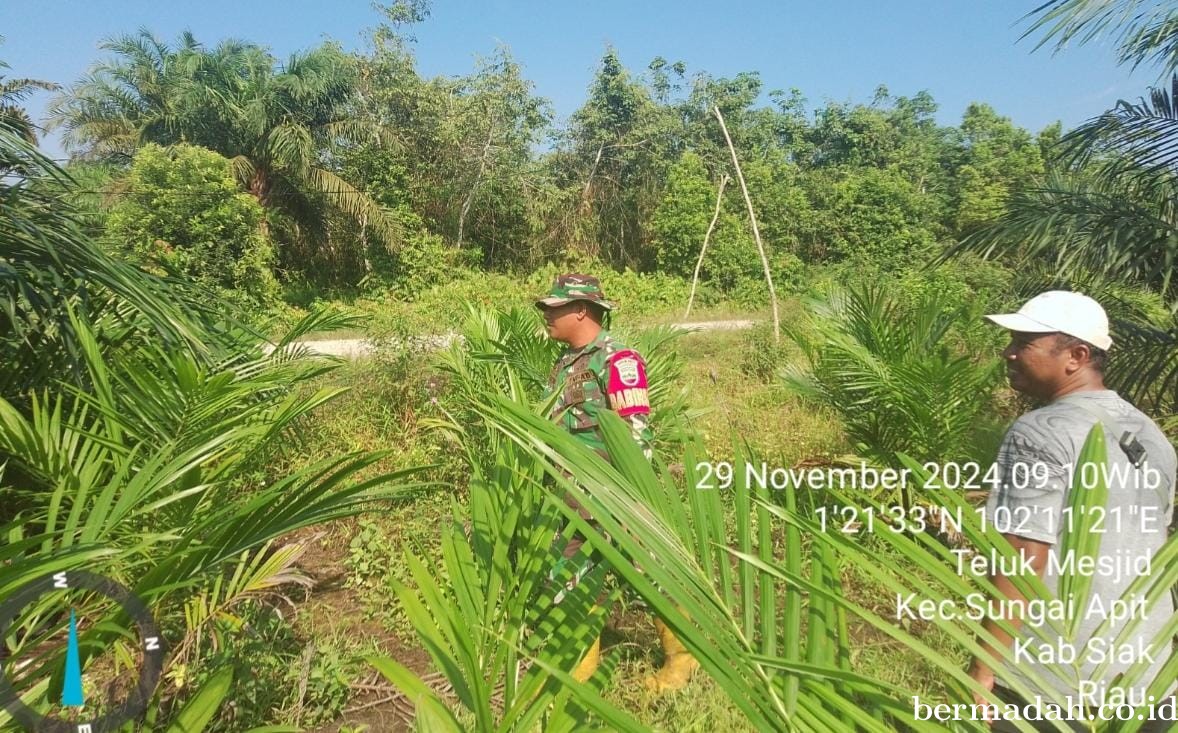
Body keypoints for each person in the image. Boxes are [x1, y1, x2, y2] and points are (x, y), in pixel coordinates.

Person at [971, 291, 1176, 729]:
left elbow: (1024, 552)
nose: (1007, 352)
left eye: (1024, 341)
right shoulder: (1150, 433)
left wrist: (983, 669)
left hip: (1052, 684)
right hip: (1149, 681)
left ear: (1077, 355)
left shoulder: (1038, 432)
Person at [535, 273, 697, 692]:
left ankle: (682, 662)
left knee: (648, 573)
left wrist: (626, 495)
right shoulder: (565, 363)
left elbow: (637, 433)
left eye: (553, 308)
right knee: (569, 572)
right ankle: (581, 669)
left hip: (613, 490)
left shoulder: (618, 359)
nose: (545, 314)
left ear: (581, 311)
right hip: (572, 489)